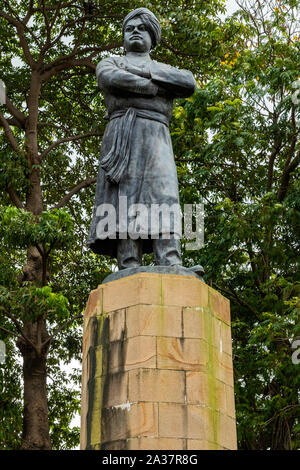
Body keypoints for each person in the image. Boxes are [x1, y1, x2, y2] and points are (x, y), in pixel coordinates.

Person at [87, 8, 197, 270]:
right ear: (123, 36)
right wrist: (156, 88)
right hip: (122, 136)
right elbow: (110, 79)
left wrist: (147, 74)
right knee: (125, 199)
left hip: (157, 137)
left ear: (152, 37)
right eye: (130, 28)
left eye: (142, 28)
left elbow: (188, 82)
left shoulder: (164, 67)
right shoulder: (110, 62)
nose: (135, 31)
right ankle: (129, 264)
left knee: (165, 195)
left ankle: (170, 261)